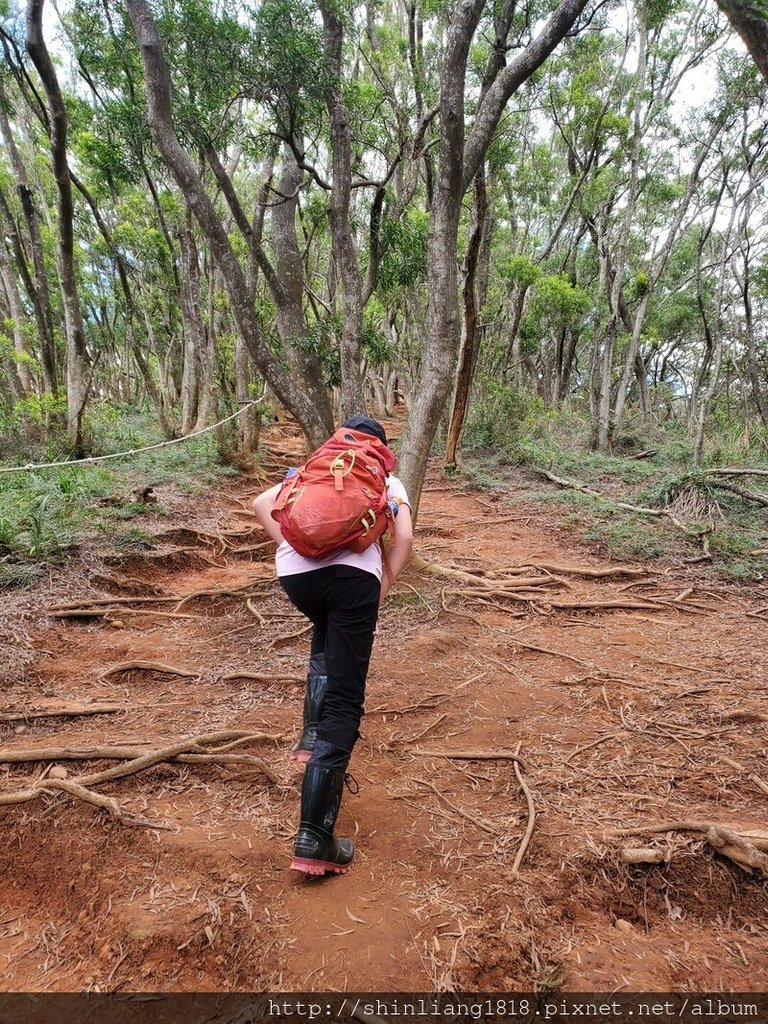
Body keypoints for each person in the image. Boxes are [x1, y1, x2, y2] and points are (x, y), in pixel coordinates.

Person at [252, 416, 413, 876]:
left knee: (325, 634)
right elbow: (403, 537)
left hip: (295, 576)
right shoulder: (386, 477)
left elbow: (263, 503)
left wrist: (298, 549)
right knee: (346, 700)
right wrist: (386, 580)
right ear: (380, 447)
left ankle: (310, 735)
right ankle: (315, 837)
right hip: (353, 582)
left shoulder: (313, 469)